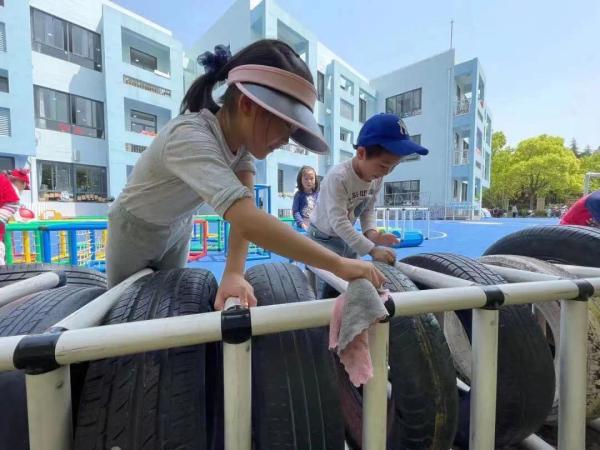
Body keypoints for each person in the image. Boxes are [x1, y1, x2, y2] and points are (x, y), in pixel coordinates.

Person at [106, 39, 384, 308]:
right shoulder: (190, 136)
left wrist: (234, 273)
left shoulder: (240, 148)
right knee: (122, 308)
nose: (288, 140)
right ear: (247, 106)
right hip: (135, 227)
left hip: (178, 225)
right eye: (286, 126)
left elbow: (245, 211)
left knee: (165, 302)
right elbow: (249, 221)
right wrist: (338, 263)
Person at [308, 113, 429, 269]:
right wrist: (372, 250)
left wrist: (373, 235)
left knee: (356, 278)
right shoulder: (339, 177)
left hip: (346, 237)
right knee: (327, 284)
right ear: (361, 153)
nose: (387, 172)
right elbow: (338, 220)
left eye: (393, 167)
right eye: (383, 166)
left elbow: (368, 208)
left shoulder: (376, 176)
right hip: (322, 238)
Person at [0, 168, 31, 265]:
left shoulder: (7, 186)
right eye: (23, 184)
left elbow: (13, 206)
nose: (23, 187)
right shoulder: (9, 188)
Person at [292, 165, 319, 230]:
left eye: (311, 178)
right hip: (302, 225)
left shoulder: (318, 195)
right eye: (306, 179)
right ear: (300, 180)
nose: (309, 181)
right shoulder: (298, 195)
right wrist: (301, 224)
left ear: (315, 179)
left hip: (315, 225)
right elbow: (295, 211)